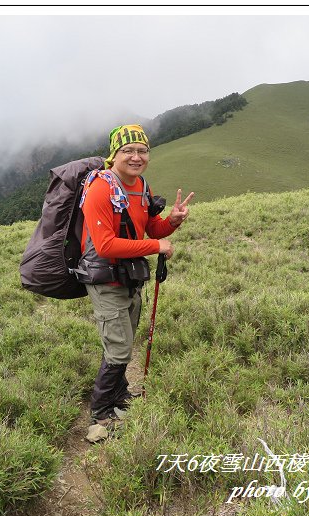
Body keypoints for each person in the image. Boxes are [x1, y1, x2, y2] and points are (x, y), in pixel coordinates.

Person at [79, 124, 193, 425]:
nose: (136, 156)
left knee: (123, 342)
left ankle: (120, 395)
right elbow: (104, 245)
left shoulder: (141, 185)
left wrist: (173, 221)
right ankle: (101, 412)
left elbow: (152, 228)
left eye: (142, 150)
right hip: (105, 278)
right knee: (118, 349)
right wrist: (157, 245)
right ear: (114, 154)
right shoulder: (100, 189)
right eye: (128, 150)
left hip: (129, 276)